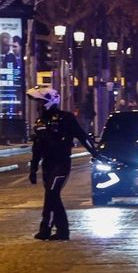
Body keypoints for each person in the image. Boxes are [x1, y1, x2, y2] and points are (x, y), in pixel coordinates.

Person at [27, 87, 98, 241]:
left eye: (40, 101)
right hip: (48, 164)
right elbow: (37, 148)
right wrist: (33, 169)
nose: (37, 105)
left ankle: (46, 228)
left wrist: (95, 153)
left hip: (61, 163)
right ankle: (62, 230)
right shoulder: (40, 122)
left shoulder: (66, 118)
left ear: (48, 102)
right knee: (52, 196)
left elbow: (82, 136)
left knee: (52, 194)